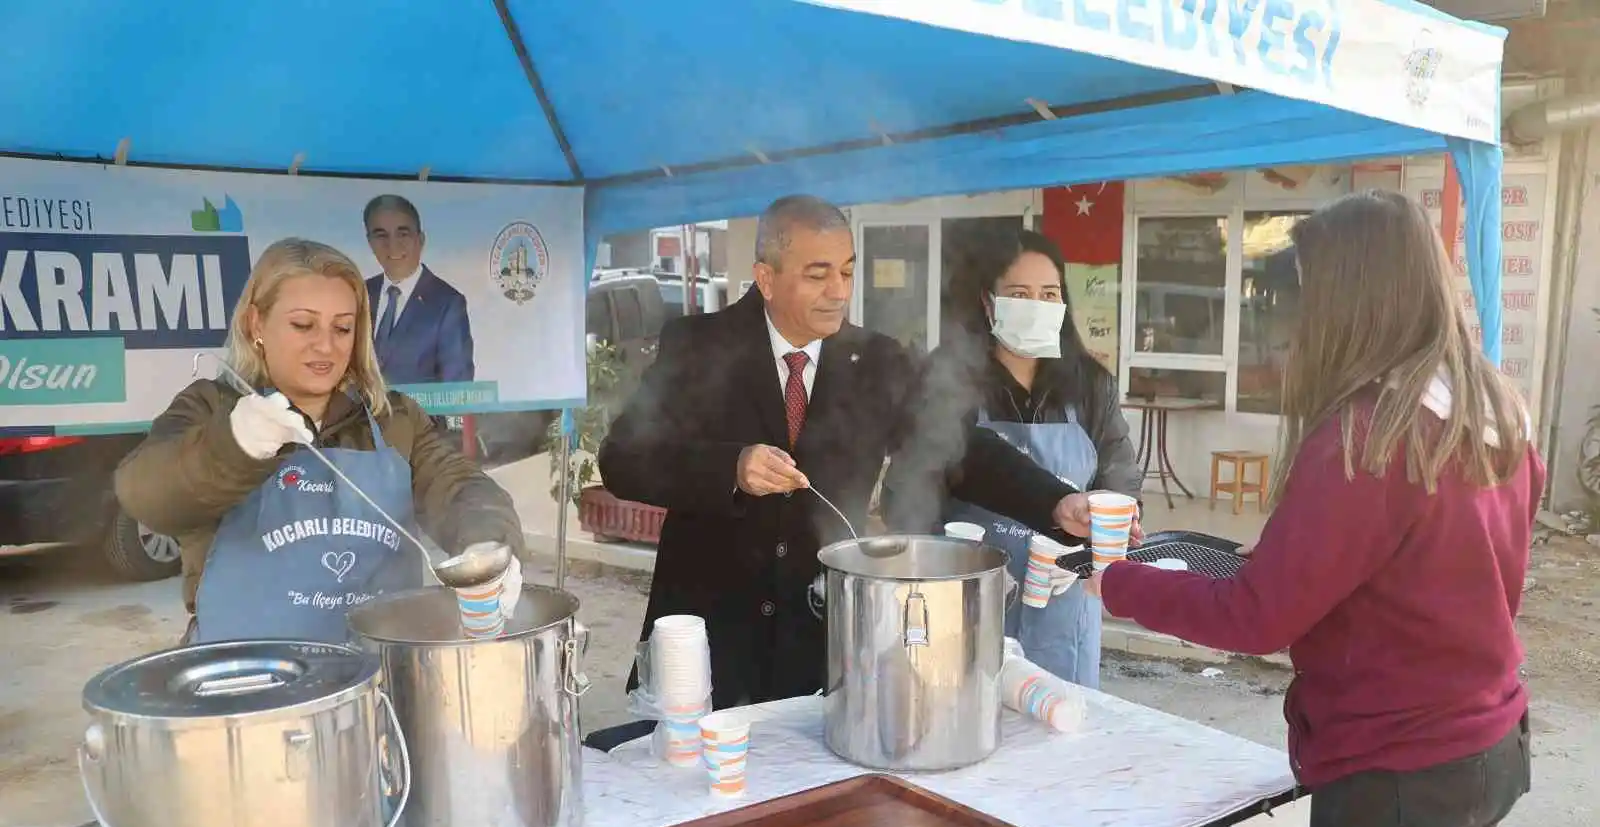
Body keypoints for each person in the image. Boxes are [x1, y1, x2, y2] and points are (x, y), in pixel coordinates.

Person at [1088, 190, 1540, 827]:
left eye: (1298, 294)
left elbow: (1257, 613)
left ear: (1349, 300)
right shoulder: (1491, 412)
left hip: (1397, 778)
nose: (1287, 318)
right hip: (1492, 748)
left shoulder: (1368, 436)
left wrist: (1118, 584)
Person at [599, 195, 1096, 709]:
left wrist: (1054, 503)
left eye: (847, 272)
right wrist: (730, 466)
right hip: (707, 642)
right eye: (818, 275)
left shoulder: (876, 361)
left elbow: (957, 445)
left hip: (822, 640)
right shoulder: (698, 348)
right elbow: (623, 458)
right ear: (766, 278)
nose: (838, 291)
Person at [115, 238, 525, 644]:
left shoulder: (392, 419)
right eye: (303, 325)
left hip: (378, 679)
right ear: (256, 324)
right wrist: (232, 446)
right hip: (242, 680)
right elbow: (147, 495)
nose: (326, 345)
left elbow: (460, 487)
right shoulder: (208, 408)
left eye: (342, 328)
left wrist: (488, 543)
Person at [887, 229, 1140, 688]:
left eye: (1049, 294)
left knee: (1057, 727)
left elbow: (1119, 480)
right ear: (988, 302)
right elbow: (905, 501)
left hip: (1064, 607)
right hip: (967, 600)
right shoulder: (947, 382)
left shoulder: (1091, 386)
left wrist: (1102, 539)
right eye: (1020, 294)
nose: (1038, 306)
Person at [363, 194, 475, 384]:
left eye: (403, 233)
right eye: (381, 235)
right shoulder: (360, 292)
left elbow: (457, 388)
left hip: (420, 414)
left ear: (420, 239)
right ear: (370, 242)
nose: (392, 245)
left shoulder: (447, 303)